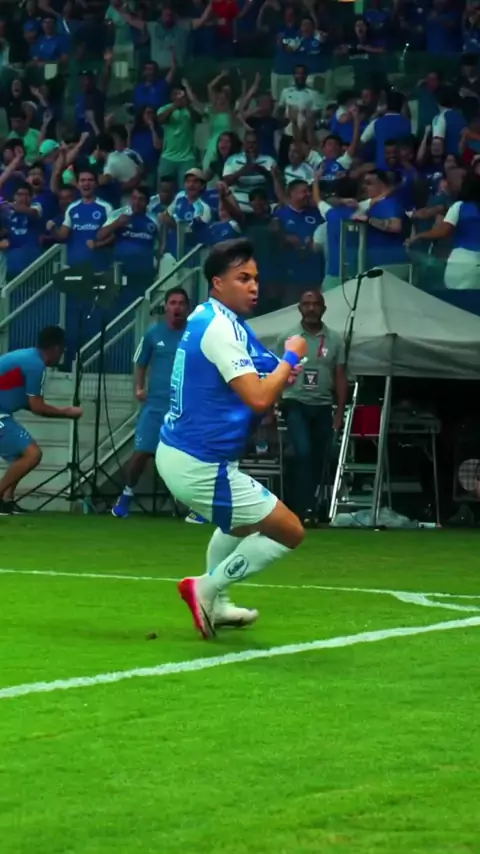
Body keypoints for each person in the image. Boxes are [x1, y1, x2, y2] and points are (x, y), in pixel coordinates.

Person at [156, 238, 307, 639]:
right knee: (289, 531)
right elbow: (258, 397)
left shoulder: (211, 316)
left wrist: (281, 370)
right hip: (201, 464)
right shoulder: (221, 329)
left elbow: (263, 368)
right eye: (243, 278)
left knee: (236, 525)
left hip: (185, 453)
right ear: (217, 282)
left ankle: (217, 602)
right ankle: (207, 588)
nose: (254, 286)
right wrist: (291, 357)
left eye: (255, 278)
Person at [112, 288, 190, 520]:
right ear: (166, 307)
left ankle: (191, 504)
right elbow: (140, 361)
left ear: (187, 308)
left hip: (184, 407)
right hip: (155, 405)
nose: (177, 307)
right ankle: (126, 495)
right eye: (172, 303)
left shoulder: (194, 335)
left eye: (181, 303)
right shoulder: (153, 333)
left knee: (188, 457)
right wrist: (139, 387)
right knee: (142, 452)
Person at [278, 290, 348, 525]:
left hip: (323, 403)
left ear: (323, 308)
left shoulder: (335, 339)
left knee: (319, 456)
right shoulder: (288, 337)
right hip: (295, 401)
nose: (311, 308)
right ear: (299, 308)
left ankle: (308, 505)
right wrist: (271, 405)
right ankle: (303, 508)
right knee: (303, 452)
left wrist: (340, 412)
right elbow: (276, 372)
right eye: (306, 304)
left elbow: (340, 376)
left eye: (315, 304)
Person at [0, 326, 82, 515]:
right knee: (32, 454)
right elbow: (38, 407)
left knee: (21, 456)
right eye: (62, 350)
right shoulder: (36, 366)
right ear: (56, 348)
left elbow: (28, 402)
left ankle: (6, 501)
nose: (62, 354)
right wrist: (66, 412)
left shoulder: (28, 357)